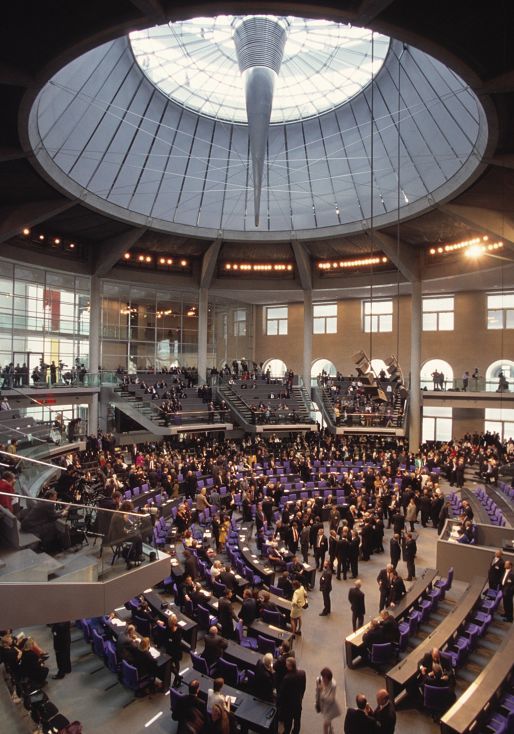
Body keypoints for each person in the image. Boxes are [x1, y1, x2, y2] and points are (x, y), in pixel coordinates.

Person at [20, 488, 69, 554]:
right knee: (52, 526)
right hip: (31, 527)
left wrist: (61, 511)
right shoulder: (49, 504)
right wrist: (63, 514)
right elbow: (53, 517)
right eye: (55, 497)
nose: (56, 499)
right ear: (50, 496)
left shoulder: (42, 500)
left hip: (26, 524)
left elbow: (50, 514)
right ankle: (47, 546)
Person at [277, 657, 306, 734]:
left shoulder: (287, 678)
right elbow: (303, 687)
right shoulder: (302, 673)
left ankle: (286, 732)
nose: (286, 666)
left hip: (288, 705)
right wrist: (301, 697)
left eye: (287, 665)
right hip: (298, 703)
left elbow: (282, 693)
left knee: (288, 722)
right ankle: (295, 732)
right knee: (297, 720)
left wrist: (279, 703)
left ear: (290, 666)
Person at [316, 667, 341, 734]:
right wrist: (317, 700)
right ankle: (330, 727)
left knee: (325, 725)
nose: (323, 680)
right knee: (327, 720)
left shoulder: (333, 685)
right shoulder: (319, 680)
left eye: (325, 679)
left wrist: (321, 693)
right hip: (322, 705)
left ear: (329, 679)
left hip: (330, 707)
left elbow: (331, 700)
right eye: (323, 677)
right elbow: (317, 692)